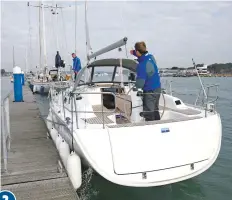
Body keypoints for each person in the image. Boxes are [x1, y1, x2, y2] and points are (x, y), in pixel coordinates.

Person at [130, 41, 161, 121]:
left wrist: (134, 88)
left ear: (137, 51)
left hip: (149, 92)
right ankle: (158, 123)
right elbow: (141, 54)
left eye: (135, 51)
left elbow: (140, 84)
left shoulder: (142, 65)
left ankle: (151, 129)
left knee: (149, 113)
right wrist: (133, 52)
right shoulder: (151, 57)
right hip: (158, 88)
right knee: (155, 109)